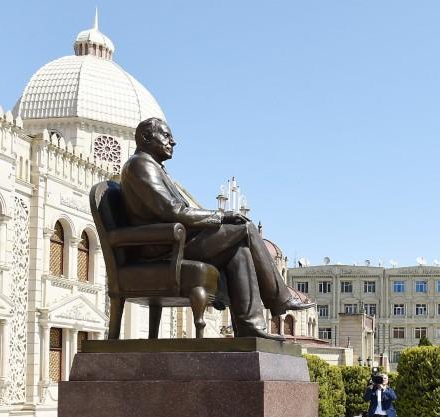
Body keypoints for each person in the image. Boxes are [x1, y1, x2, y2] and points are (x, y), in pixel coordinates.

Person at [120, 118, 313, 340]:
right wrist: (221, 216)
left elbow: (176, 211)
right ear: (145, 138)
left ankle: (250, 326)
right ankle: (279, 297)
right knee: (246, 228)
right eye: (166, 136)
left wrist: (222, 219)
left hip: (175, 243)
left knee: (239, 249)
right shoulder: (140, 166)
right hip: (163, 248)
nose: (173, 142)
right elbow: (173, 211)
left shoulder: (154, 168)